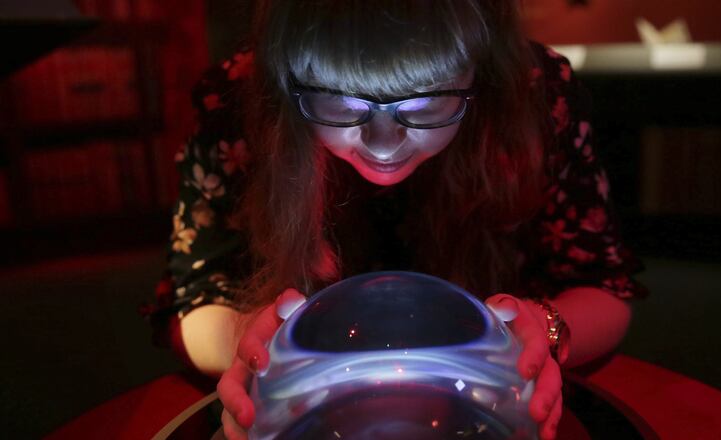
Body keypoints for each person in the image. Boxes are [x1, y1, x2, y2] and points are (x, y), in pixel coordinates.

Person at [145, 1, 648, 439]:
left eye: (426, 103)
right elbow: (193, 303)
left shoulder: (538, 94)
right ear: (287, 80)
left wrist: (545, 328)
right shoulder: (234, 99)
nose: (384, 145)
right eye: (340, 103)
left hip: (484, 406)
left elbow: (606, 288)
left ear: (477, 73)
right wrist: (248, 342)